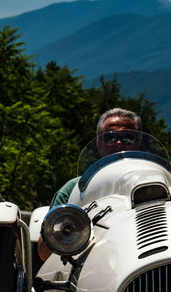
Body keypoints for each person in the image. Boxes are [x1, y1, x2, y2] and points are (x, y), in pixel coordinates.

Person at [37, 108, 141, 261]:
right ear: (99, 144)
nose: (119, 143)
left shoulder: (158, 183)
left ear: (137, 143)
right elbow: (45, 252)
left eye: (128, 137)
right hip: (89, 265)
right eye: (110, 137)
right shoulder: (74, 188)